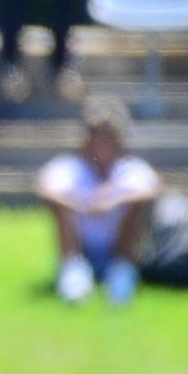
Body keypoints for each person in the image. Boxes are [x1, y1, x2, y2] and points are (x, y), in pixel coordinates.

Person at [36, 96, 159, 305]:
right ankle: (73, 273)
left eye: (108, 139)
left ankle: (122, 272)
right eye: (97, 138)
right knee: (61, 210)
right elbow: (44, 188)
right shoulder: (71, 169)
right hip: (81, 244)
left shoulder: (129, 169)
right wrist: (81, 203)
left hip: (118, 246)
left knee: (135, 207)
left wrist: (113, 199)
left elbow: (151, 189)